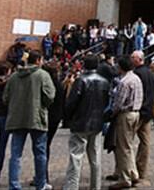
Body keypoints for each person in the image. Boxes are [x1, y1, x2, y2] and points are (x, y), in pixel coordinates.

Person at [4, 50, 55, 190]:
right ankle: (41, 183)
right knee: (40, 153)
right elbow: (50, 96)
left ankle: (14, 185)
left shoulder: (14, 76)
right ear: (38, 60)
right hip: (36, 117)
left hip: (17, 118)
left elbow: (5, 97)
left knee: (15, 154)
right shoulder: (42, 75)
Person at [63, 55, 111, 190]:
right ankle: (95, 186)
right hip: (97, 123)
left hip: (80, 122)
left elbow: (71, 103)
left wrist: (69, 116)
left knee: (75, 158)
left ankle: (72, 187)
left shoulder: (81, 81)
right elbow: (106, 102)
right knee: (95, 158)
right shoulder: (104, 82)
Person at [108, 55, 143, 190]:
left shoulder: (124, 82)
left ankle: (125, 178)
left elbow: (118, 103)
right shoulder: (136, 79)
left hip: (126, 114)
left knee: (123, 148)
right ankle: (133, 173)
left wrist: (112, 113)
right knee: (129, 145)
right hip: (136, 112)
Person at [131, 51, 154, 186]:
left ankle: (128, 171)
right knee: (145, 142)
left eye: (132, 58)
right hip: (148, 111)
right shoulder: (151, 73)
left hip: (138, 111)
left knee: (126, 142)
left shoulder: (136, 74)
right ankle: (141, 171)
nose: (131, 60)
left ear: (138, 60)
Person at [42, 62, 65, 187]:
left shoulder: (47, 85)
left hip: (46, 118)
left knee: (43, 147)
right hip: (56, 119)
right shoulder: (59, 85)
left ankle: (42, 176)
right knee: (46, 145)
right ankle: (42, 174)